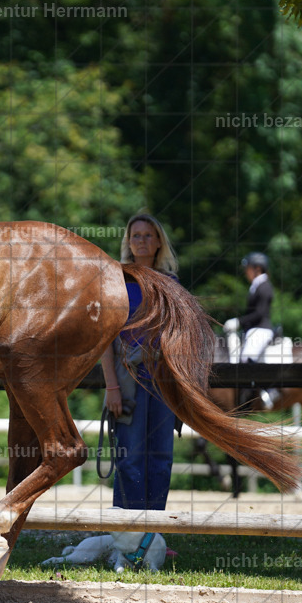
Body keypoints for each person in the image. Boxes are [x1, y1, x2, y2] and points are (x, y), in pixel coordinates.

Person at [101, 213, 178, 520]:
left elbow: (180, 336)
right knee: (130, 457)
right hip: (127, 377)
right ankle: (127, 531)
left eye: (148, 235)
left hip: (164, 379)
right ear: (128, 243)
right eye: (136, 235)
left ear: (159, 242)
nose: (142, 241)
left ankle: (154, 532)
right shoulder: (117, 279)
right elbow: (105, 338)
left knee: (161, 458)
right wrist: (111, 386)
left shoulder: (171, 284)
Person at [224, 251, 278, 409]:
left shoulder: (264, 286)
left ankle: (269, 390)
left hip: (261, 329)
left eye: (248, 268)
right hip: (253, 329)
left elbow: (260, 313)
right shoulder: (256, 286)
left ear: (257, 269)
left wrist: (238, 322)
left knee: (247, 357)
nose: (246, 272)